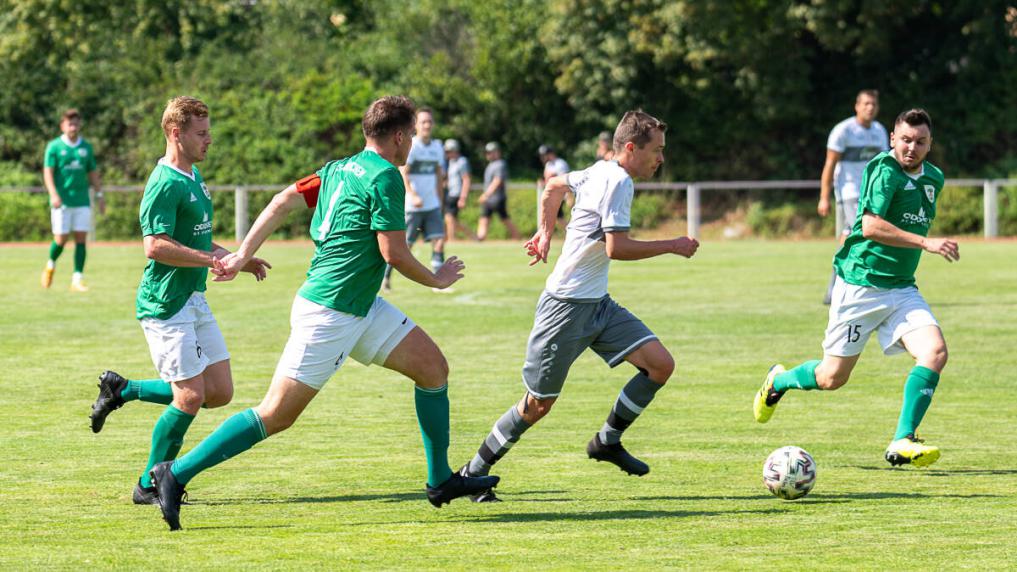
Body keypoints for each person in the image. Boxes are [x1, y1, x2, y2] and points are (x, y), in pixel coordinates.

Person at [146, 96, 498, 531]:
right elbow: (394, 253)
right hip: (331, 314)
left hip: (358, 306)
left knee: (433, 369)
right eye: (408, 140)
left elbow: (280, 201)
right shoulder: (387, 176)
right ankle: (174, 473)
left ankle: (439, 480)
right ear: (401, 137)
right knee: (276, 414)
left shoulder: (337, 169)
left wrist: (242, 253)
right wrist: (437, 278)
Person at [459, 110, 699, 501]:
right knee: (537, 406)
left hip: (597, 305)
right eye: (657, 150)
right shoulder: (618, 180)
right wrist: (672, 245)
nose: (661, 159)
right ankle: (474, 471)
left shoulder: (599, 169)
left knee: (660, 365)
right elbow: (615, 247)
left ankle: (607, 441)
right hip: (565, 309)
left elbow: (553, 187)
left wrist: (544, 231)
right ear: (632, 148)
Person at [88, 96, 270, 505]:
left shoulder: (193, 174)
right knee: (188, 396)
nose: (209, 140)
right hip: (165, 304)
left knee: (218, 392)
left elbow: (197, 239)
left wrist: (235, 258)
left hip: (192, 297)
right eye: (201, 133)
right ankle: (149, 484)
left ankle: (124, 390)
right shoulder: (164, 182)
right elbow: (154, 246)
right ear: (176, 133)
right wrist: (211, 259)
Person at [754, 108, 957, 469]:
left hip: (901, 289)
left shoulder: (935, 178)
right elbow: (871, 225)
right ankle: (779, 381)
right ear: (892, 139)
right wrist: (925, 243)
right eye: (905, 140)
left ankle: (902, 440)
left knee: (936, 352)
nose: (911, 147)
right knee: (832, 378)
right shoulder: (883, 169)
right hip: (861, 285)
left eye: (920, 141)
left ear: (930, 145)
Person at [819, 89, 889, 304]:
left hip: (873, 194)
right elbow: (830, 164)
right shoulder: (843, 131)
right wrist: (824, 196)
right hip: (849, 192)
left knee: (849, 237)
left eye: (873, 104)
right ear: (857, 106)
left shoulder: (879, 131)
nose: (870, 108)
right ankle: (845, 288)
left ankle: (839, 288)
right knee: (863, 234)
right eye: (866, 103)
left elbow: (885, 165)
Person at [382, 107, 446, 292]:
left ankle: (439, 281)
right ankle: (385, 278)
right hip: (413, 205)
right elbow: (404, 172)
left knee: (439, 239)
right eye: (423, 121)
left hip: (432, 203)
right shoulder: (413, 146)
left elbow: (438, 175)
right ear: (416, 125)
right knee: (404, 245)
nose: (427, 125)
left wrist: (440, 199)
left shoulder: (437, 147)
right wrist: (412, 194)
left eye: (430, 122)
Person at [41, 108, 104, 292]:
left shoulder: (86, 147)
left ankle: (77, 279)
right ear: (62, 126)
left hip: (82, 201)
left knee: (81, 239)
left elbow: (93, 173)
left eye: (76, 123)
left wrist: (99, 195)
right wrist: (53, 194)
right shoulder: (54, 147)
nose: (73, 126)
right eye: (70, 123)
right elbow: (48, 173)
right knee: (60, 239)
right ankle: (50, 264)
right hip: (62, 202)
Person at [476, 142, 520, 241]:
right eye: (487, 152)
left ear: (497, 152)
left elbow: (497, 181)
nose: (488, 154)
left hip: (497, 198)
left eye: (490, 152)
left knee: (505, 219)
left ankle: (517, 237)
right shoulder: (490, 165)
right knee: (484, 219)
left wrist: (486, 195)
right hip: (489, 199)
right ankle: (480, 238)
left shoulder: (500, 164)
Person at [443, 138, 477, 241]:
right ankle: (473, 237)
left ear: (455, 150)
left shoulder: (462, 161)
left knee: (449, 218)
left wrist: (463, 197)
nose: (447, 154)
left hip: (457, 194)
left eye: (449, 151)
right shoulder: (451, 162)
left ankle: (452, 239)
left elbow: (466, 179)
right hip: (450, 194)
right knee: (452, 220)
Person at [537, 144, 571, 222]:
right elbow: (548, 180)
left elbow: (565, 180)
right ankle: (568, 232)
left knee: (559, 216)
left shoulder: (560, 164)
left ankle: (570, 232)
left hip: (562, 193)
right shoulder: (548, 165)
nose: (542, 157)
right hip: (554, 194)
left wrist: (568, 195)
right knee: (557, 216)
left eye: (544, 155)